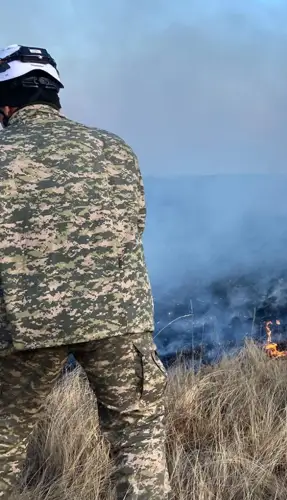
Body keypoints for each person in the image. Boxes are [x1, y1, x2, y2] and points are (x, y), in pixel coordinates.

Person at [0, 44, 170, 499]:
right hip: (119, 318)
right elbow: (132, 225)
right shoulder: (114, 148)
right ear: (55, 94)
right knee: (138, 442)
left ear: (4, 104)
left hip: (23, 325)